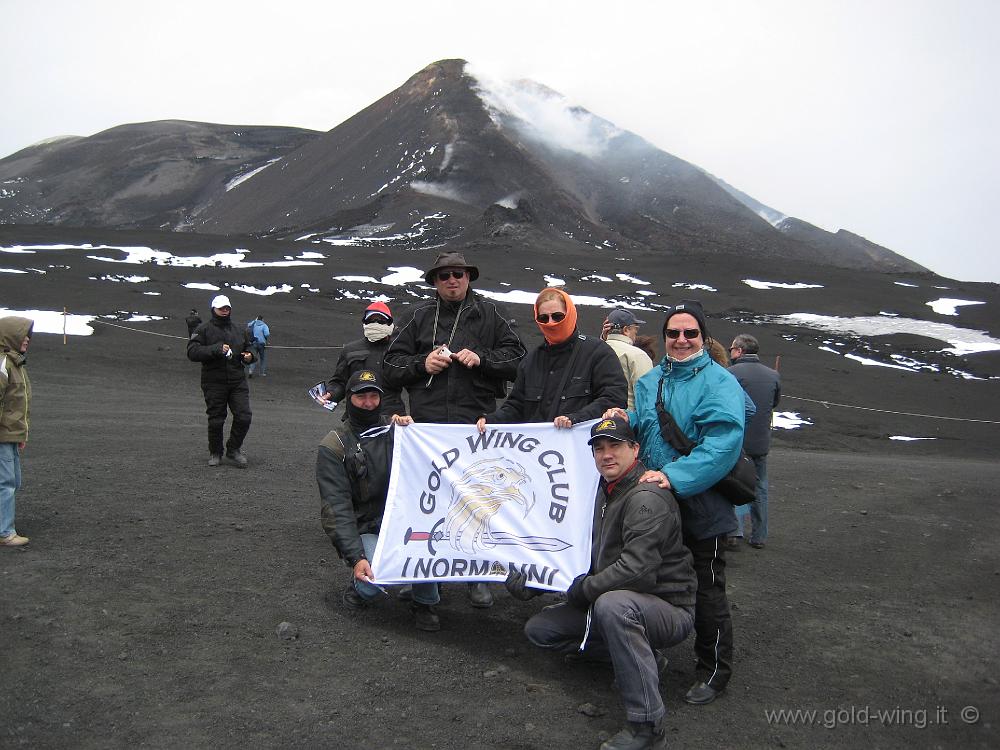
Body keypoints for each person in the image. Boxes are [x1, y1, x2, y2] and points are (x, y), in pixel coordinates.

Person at [510, 416, 696, 750]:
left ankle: (647, 726)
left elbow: (636, 572)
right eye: (599, 448)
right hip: (614, 598)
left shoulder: (646, 497)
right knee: (541, 630)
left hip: (665, 606)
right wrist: (537, 580)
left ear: (635, 449)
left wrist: (582, 590)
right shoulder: (603, 490)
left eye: (615, 446)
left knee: (614, 606)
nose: (606, 454)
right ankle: (645, 659)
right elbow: (580, 552)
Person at [608, 300, 744, 706]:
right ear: (664, 337)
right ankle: (649, 655)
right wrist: (623, 419)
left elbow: (723, 442)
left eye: (690, 333)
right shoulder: (652, 381)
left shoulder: (720, 383)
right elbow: (646, 425)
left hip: (702, 502)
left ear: (703, 338)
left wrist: (674, 476)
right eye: (673, 333)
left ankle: (714, 669)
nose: (681, 340)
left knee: (706, 587)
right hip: (656, 503)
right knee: (655, 579)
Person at [383, 251, 525, 609]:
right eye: (444, 275)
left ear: (468, 277)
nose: (452, 280)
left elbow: (518, 359)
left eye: (458, 273)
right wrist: (421, 363)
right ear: (434, 280)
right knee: (426, 500)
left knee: (477, 500)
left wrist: (483, 360)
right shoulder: (417, 316)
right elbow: (390, 365)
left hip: (475, 424)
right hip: (427, 428)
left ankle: (478, 575)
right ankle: (425, 575)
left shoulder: (491, 314)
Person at [315, 370, 441, 631]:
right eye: (362, 397)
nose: (369, 403)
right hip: (366, 527)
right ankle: (359, 590)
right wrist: (356, 556)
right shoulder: (335, 445)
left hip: (402, 524)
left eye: (374, 396)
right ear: (349, 399)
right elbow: (336, 507)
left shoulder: (397, 431)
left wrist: (412, 431)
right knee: (373, 580)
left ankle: (424, 601)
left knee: (430, 556)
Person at [477, 288, 626, 431]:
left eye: (557, 316)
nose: (551, 322)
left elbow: (614, 397)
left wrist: (576, 419)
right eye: (543, 318)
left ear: (570, 314)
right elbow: (516, 406)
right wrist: (491, 420)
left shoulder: (598, 352)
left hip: (583, 448)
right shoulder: (530, 362)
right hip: (537, 449)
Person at [186, 295, 256, 468]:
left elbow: (251, 348)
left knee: (244, 416)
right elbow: (192, 352)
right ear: (214, 309)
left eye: (227, 307)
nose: (225, 310)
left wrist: (250, 356)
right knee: (216, 419)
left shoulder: (240, 330)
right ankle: (215, 452)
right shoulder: (203, 329)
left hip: (237, 380)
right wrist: (216, 349)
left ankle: (233, 449)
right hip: (213, 381)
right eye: (221, 308)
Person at [728, 334, 781, 550]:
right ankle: (759, 535)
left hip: (738, 442)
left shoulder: (731, 374)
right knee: (760, 487)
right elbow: (775, 403)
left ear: (739, 351)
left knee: (735, 483)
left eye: (732, 349)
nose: (730, 352)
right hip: (761, 442)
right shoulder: (773, 375)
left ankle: (736, 533)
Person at [319, 301, 405, 419]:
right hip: (356, 417)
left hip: (392, 417)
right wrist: (331, 394)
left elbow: (414, 382)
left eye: (381, 321)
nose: (376, 324)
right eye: (371, 320)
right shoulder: (350, 350)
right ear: (365, 323)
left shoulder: (399, 349)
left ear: (389, 323)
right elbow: (340, 381)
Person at [1, 316, 33, 547]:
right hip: (2, 435)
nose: (27, 339)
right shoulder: (4, 364)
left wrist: (22, 434)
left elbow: (21, 404)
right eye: (23, 334)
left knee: (14, 481)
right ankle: (5, 533)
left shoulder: (16, 364)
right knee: (6, 483)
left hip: (12, 435)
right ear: (11, 335)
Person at [602, 308, 654, 410]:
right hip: (626, 419)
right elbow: (647, 395)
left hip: (593, 420)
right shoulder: (638, 355)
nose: (636, 334)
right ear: (626, 330)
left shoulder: (594, 351)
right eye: (635, 329)